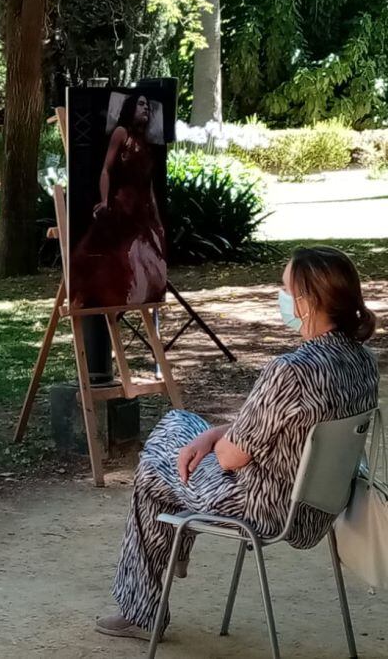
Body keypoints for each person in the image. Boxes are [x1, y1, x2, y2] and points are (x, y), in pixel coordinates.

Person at [96, 246, 379, 641]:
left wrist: (216, 443)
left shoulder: (290, 371)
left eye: (284, 289)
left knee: (158, 455)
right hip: (320, 506)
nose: (280, 298)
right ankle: (169, 556)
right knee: (184, 426)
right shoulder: (362, 362)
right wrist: (211, 435)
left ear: (308, 301)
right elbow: (269, 432)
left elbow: (231, 458)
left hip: (261, 506)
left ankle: (143, 608)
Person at [71, 93, 166, 308]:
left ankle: (139, 294)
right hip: (124, 203)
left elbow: (149, 186)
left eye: (148, 106)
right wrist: (105, 200)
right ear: (130, 108)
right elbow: (106, 170)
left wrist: (158, 220)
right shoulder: (121, 133)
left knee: (149, 256)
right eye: (141, 104)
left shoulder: (145, 142)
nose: (146, 109)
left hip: (143, 209)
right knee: (121, 256)